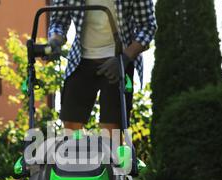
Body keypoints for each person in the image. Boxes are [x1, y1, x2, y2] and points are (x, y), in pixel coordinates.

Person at [47, 0, 157, 132]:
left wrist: (125, 58)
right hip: (81, 59)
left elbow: (147, 26)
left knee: (111, 128)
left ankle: (113, 152)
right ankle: (79, 151)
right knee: (71, 125)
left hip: (118, 59)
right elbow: (59, 20)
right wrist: (55, 41)